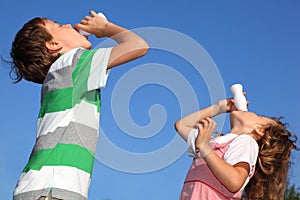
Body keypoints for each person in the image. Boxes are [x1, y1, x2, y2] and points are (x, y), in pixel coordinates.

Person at [9, 10, 148, 200]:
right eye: (58, 25)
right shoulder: (72, 64)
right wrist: (106, 29)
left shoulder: (61, 74)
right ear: (54, 44)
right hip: (52, 189)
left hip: (46, 189)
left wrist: (79, 38)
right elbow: (138, 46)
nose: (67, 24)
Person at [174, 97, 297, 200]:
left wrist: (204, 148)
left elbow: (235, 181)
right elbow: (181, 125)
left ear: (260, 130)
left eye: (259, 116)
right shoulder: (212, 143)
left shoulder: (246, 142)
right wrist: (218, 108)